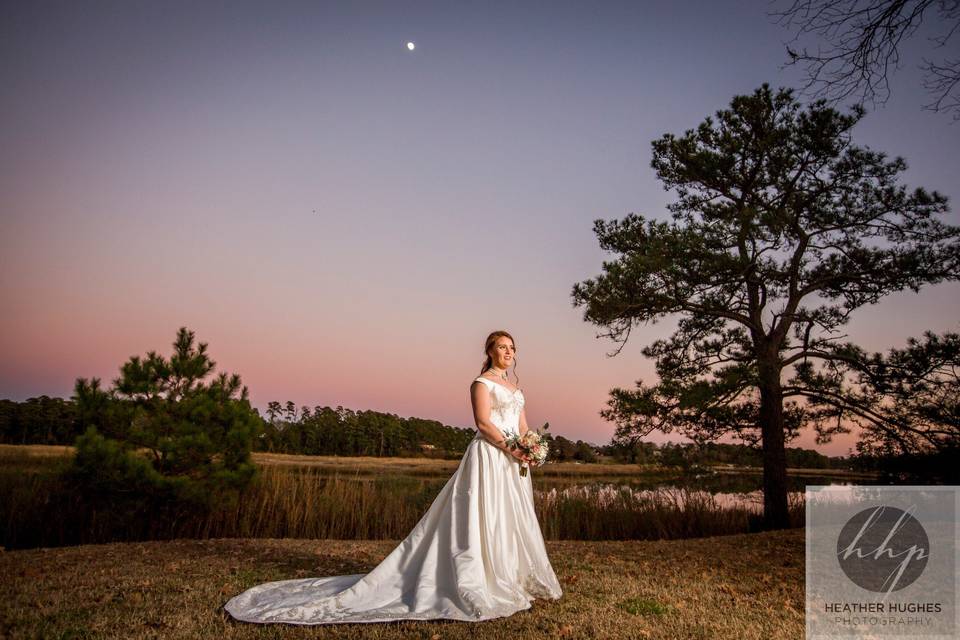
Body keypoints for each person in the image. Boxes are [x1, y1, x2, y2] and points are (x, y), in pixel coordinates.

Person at [223, 330, 563, 624]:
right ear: (489, 351)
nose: (509, 352)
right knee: (482, 516)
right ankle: (477, 580)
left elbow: (523, 425)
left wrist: (530, 449)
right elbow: (484, 423)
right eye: (503, 347)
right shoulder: (481, 383)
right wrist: (510, 448)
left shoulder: (515, 388)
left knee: (507, 518)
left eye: (512, 348)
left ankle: (506, 576)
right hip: (490, 456)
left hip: (512, 462)